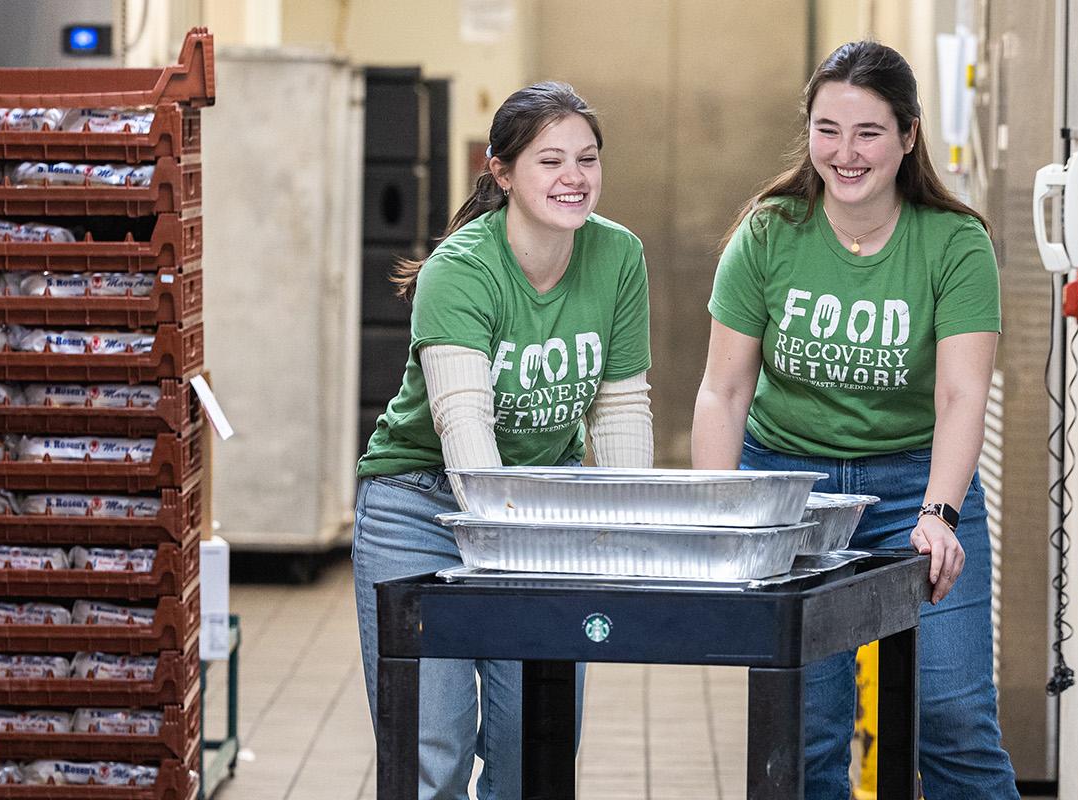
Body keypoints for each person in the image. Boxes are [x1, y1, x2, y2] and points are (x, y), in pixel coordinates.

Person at [691, 41, 1015, 799]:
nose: (845, 152)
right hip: (787, 490)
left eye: (868, 132)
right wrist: (718, 513)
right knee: (805, 729)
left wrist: (940, 511)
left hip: (915, 483)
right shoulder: (769, 232)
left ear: (908, 136)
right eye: (826, 128)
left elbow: (962, 395)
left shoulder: (954, 243)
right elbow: (723, 391)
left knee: (955, 720)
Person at [353, 81, 653, 800]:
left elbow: (619, 415)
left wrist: (627, 538)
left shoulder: (618, 258)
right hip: (418, 510)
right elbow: (467, 440)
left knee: (536, 753)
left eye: (587, 159)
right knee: (433, 753)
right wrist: (524, 545)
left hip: (542, 510)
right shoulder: (460, 270)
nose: (573, 178)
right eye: (550, 161)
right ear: (502, 170)